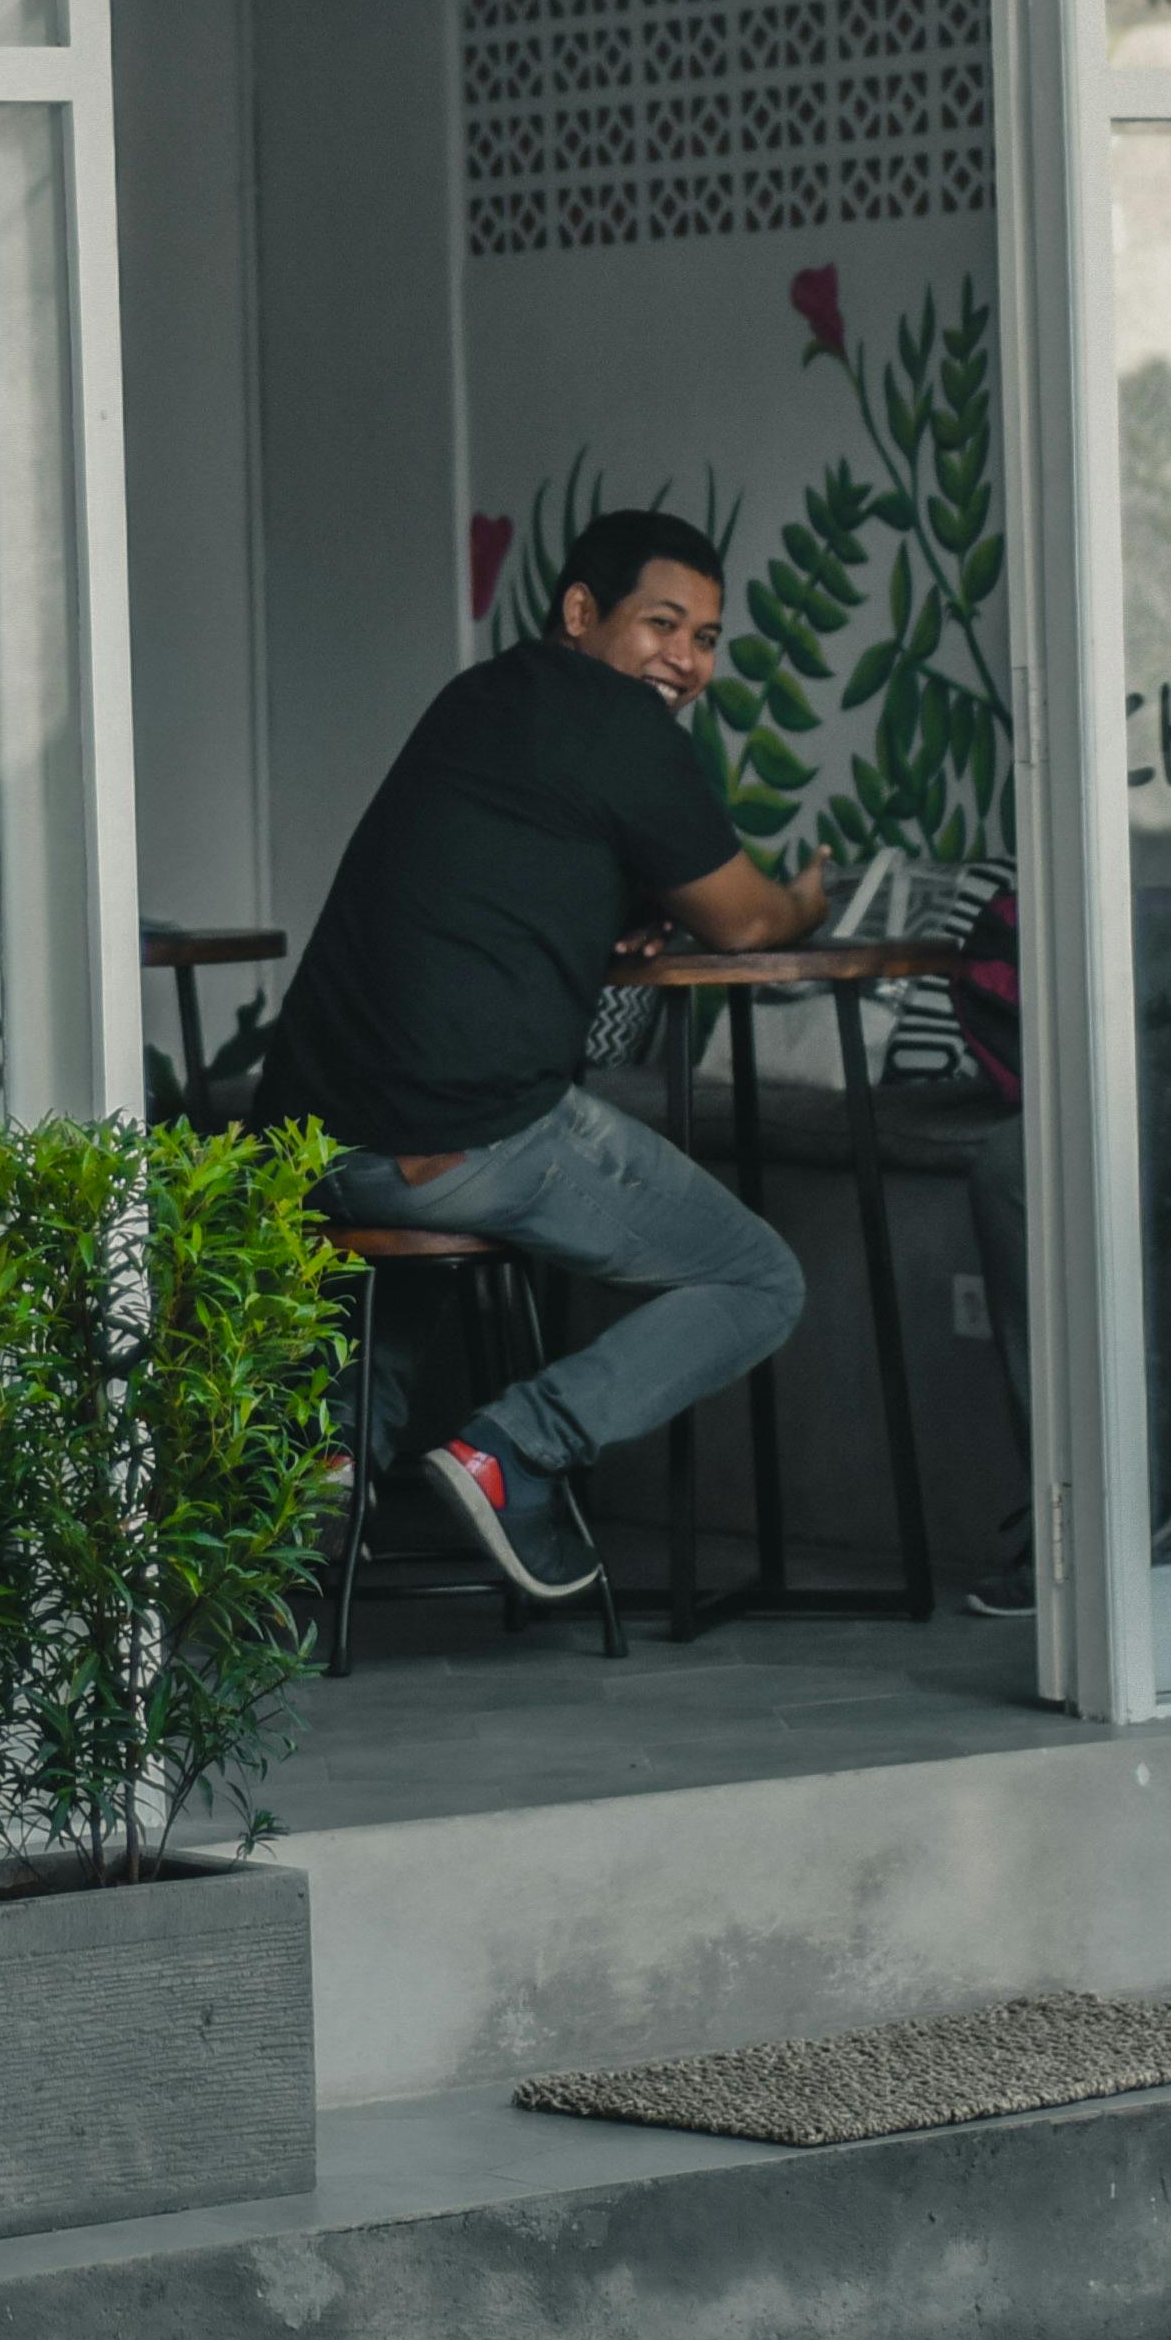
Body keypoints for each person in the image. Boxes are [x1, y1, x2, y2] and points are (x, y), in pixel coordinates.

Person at [277, 507, 834, 1601]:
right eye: (661, 622)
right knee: (758, 1276)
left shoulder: (478, 700)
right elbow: (749, 923)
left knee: (419, 1228)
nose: (685, 658)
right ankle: (515, 1447)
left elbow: (513, 853)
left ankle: (323, 1474)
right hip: (456, 1134)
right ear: (581, 612)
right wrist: (803, 899)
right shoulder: (627, 729)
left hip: (314, 1128)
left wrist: (626, 902)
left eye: (708, 637)